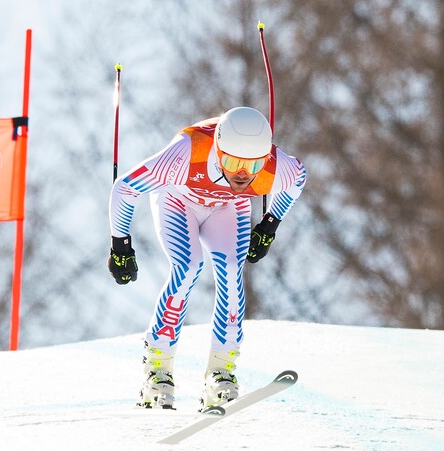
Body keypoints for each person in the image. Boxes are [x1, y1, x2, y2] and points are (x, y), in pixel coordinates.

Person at [107, 107, 306, 409]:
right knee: (188, 268)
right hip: (178, 200)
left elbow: (298, 181)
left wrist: (269, 225)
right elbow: (126, 187)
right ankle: (157, 369)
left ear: (265, 159)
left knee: (229, 271)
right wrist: (120, 245)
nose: (241, 174)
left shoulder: (277, 168)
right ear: (218, 149)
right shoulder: (187, 153)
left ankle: (222, 371)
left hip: (228, 208)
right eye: (231, 162)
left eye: (252, 165)